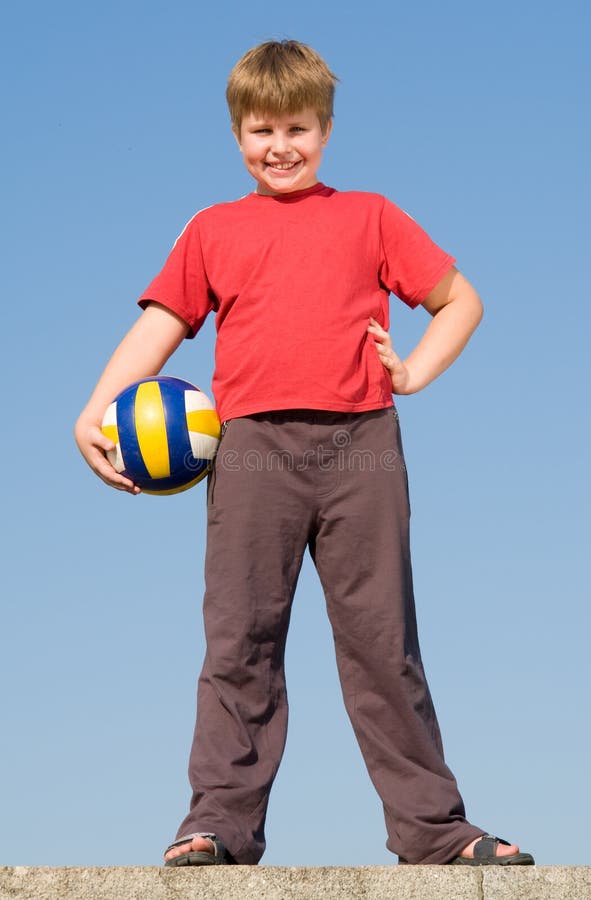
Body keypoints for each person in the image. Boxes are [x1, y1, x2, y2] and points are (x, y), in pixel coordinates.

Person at [75, 39, 534, 868]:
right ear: (235, 135)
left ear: (325, 129)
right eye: (260, 130)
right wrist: (93, 411)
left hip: (363, 445)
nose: (278, 146)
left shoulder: (371, 215)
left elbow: (458, 300)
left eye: (297, 127)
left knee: (381, 643)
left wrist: (415, 371)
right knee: (239, 640)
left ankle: (434, 831)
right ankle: (216, 825)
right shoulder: (212, 229)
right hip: (250, 453)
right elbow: (162, 326)